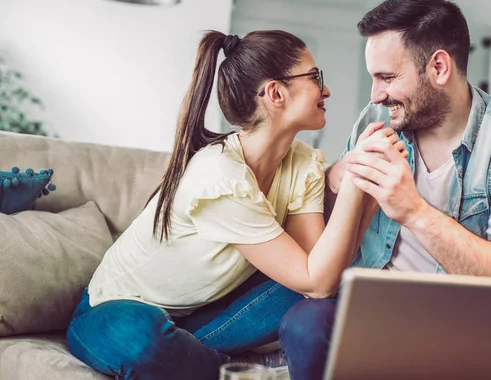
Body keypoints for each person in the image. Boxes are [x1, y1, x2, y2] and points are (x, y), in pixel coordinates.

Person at [66, 30, 405, 380]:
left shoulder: (303, 164)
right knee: (142, 338)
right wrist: (352, 183)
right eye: (315, 77)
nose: (326, 89)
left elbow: (321, 275)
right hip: (110, 312)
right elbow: (316, 280)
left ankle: (202, 358)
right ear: (275, 93)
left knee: (317, 293)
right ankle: (242, 370)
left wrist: (364, 182)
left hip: (201, 317)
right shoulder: (220, 176)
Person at [279, 0, 491, 380]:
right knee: (305, 323)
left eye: (387, 77)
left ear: (439, 67)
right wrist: (337, 178)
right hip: (364, 308)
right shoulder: (378, 116)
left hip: (458, 324)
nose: (375, 94)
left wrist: (413, 210)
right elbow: (330, 229)